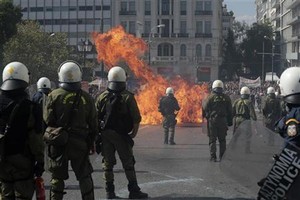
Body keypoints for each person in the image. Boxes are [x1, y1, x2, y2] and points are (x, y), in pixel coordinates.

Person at [43, 61, 97, 200]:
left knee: (57, 178)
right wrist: (92, 141)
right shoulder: (87, 97)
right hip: (80, 143)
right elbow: (93, 124)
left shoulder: (53, 95)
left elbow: (48, 120)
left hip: (59, 142)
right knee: (84, 176)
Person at [95, 66, 148, 199]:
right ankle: (133, 190)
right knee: (128, 162)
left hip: (106, 134)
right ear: (123, 80)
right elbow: (136, 118)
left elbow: (95, 118)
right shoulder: (128, 97)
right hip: (122, 136)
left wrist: (97, 136)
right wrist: (134, 134)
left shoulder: (102, 97)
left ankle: (109, 191)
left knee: (107, 163)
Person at [0, 62, 45, 199]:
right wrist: (40, 161)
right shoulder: (31, 107)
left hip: (1, 159)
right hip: (23, 160)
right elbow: (35, 139)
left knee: (5, 193)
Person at [202, 80, 233, 162]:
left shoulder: (210, 97)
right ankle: (222, 157)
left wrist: (206, 116)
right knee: (222, 140)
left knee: (212, 140)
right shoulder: (226, 97)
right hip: (223, 121)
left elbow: (204, 108)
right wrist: (230, 121)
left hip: (213, 121)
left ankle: (213, 157)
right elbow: (230, 111)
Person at [232, 86, 257, 153]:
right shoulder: (248, 102)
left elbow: (232, 112)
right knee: (248, 135)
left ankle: (232, 147)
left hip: (237, 120)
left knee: (236, 135)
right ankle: (247, 149)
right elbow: (252, 114)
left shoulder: (236, 101)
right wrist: (255, 120)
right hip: (245, 120)